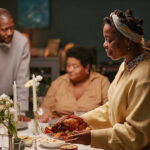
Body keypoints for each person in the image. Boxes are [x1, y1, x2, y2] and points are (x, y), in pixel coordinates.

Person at [65, 9, 150, 150]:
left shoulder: (144, 76)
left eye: (109, 40)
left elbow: (136, 134)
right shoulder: (128, 63)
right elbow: (114, 108)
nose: (104, 45)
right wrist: (81, 120)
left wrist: (92, 137)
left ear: (127, 39)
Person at [38, 46, 110, 122]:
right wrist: (45, 114)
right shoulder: (59, 82)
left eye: (75, 66)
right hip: (61, 129)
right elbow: (45, 107)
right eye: (68, 66)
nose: (70, 70)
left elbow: (109, 110)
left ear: (86, 67)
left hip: (92, 128)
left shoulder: (101, 82)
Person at [0, 8, 31, 121]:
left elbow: (22, 78)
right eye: (4, 29)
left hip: (11, 102)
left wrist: (21, 110)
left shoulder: (22, 42)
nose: (10, 32)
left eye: (12, 27)